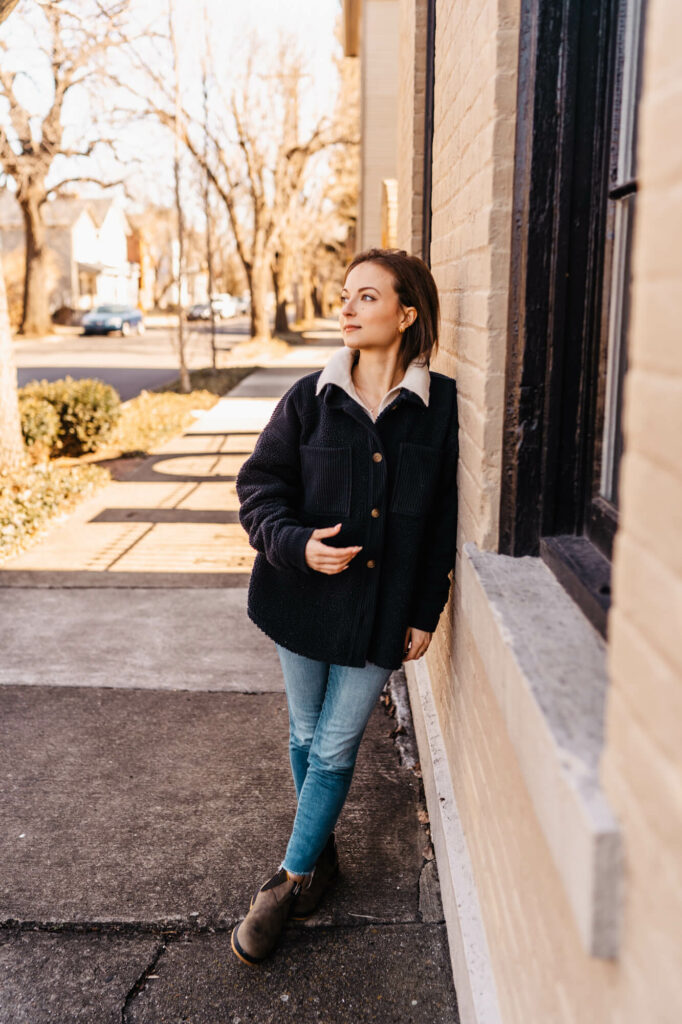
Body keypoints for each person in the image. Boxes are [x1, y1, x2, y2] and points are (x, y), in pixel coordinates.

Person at [232, 247, 458, 965]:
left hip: (380, 615)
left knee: (332, 747)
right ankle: (320, 857)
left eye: (366, 296)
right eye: (345, 295)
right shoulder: (310, 398)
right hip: (298, 600)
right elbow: (258, 489)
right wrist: (296, 545)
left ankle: (285, 881)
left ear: (406, 313)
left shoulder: (441, 408)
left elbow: (443, 524)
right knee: (304, 733)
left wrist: (427, 610)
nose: (348, 308)